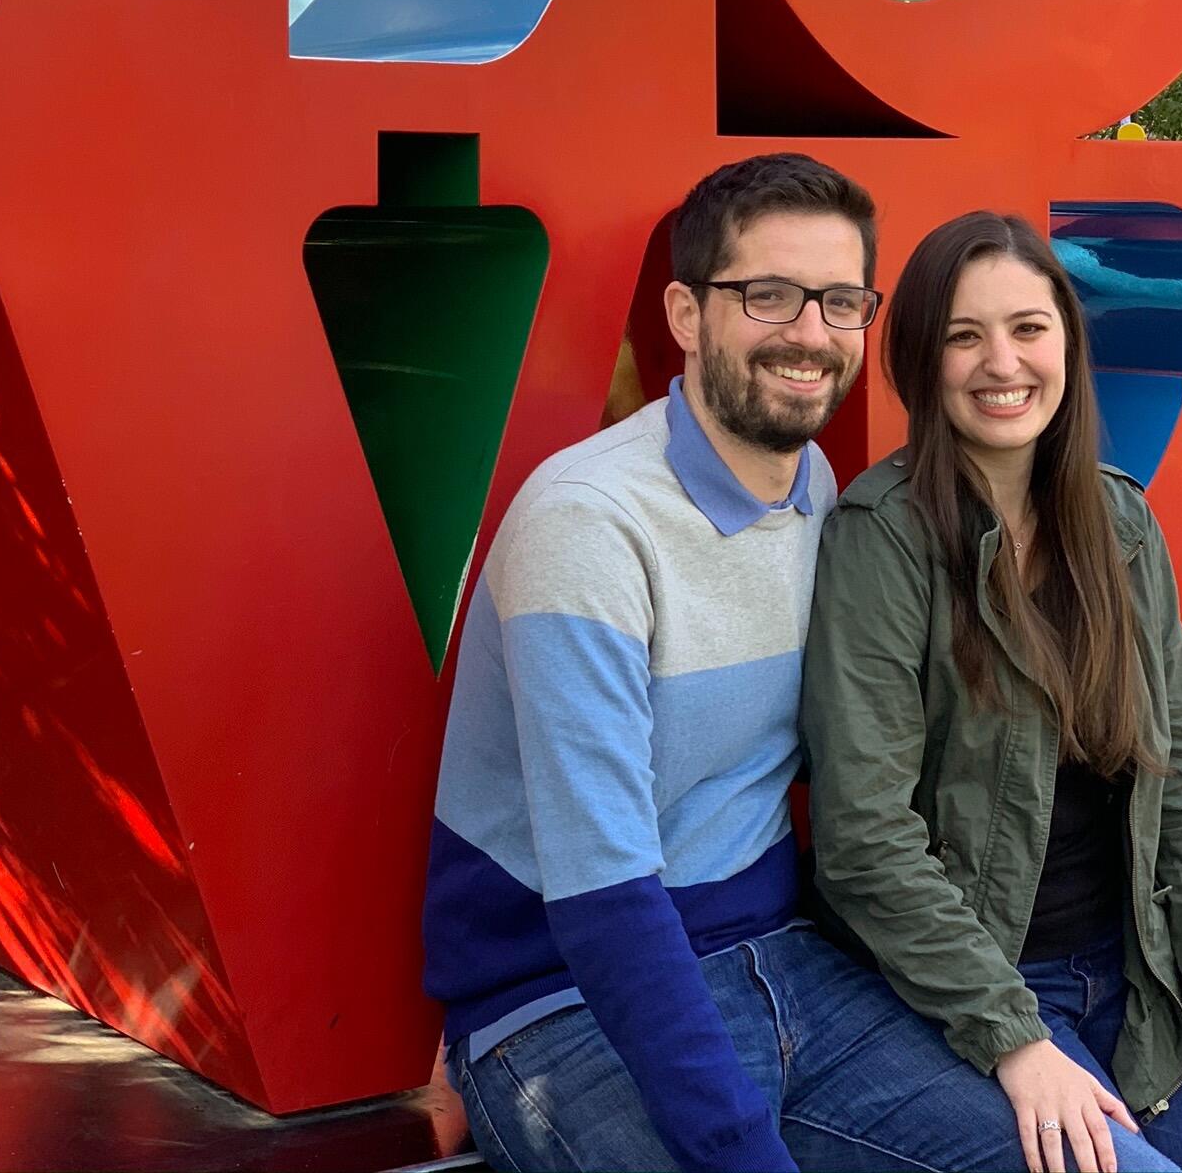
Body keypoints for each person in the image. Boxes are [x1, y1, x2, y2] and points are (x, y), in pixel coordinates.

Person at [424, 155, 1071, 1173]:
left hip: (793, 963)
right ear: (686, 313)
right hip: (574, 1003)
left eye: (840, 299)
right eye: (767, 294)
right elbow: (606, 902)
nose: (810, 333)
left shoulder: (815, 488)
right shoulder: (588, 528)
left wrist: (1018, 1029)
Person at [801, 211, 1182, 1173]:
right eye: (963, 336)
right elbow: (863, 841)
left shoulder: (1120, 521)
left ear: (1067, 338)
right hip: (966, 981)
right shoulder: (881, 537)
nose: (1002, 363)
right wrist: (1015, 1039)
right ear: (920, 359)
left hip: (1126, 974)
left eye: (1028, 328)